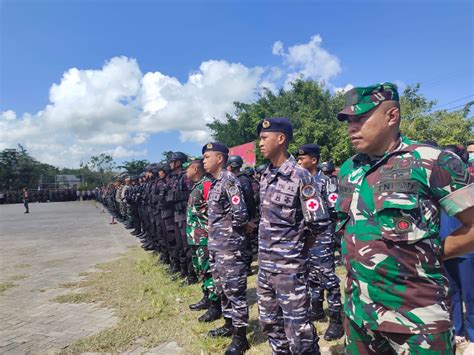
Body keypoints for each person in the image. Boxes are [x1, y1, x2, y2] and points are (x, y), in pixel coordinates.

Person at [335, 82, 474, 353]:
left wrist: (432, 252)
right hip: (359, 315)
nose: (352, 127)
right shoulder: (348, 169)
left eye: (361, 118)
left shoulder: (434, 162)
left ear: (392, 116)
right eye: (349, 120)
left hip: (417, 319)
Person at [257, 117, 330, 354]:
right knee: (271, 324)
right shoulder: (265, 176)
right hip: (265, 267)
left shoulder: (301, 176)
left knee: (299, 331)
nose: (260, 143)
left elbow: (318, 222)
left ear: (281, 139)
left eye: (264, 138)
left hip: (290, 269)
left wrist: (298, 248)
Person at [203, 142, 250, 355]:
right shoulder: (215, 183)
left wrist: (227, 233)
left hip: (229, 247)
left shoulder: (229, 181)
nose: (204, 161)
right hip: (217, 246)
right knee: (222, 288)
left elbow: (240, 214)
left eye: (207, 157)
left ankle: (241, 338)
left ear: (220, 158)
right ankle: (229, 325)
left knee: (235, 290)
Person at [296, 144, 344, 340]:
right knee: (309, 273)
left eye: (302, 159)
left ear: (313, 160)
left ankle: (336, 319)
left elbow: (334, 208)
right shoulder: (298, 181)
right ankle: (316, 307)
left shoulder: (326, 182)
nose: (299, 162)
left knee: (327, 276)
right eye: (298, 159)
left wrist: (331, 234)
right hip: (304, 236)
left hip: (323, 235)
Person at [185, 158, 222, 323]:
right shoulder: (197, 185)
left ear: (195, 169)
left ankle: (216, 305)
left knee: (209, 270)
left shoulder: (207, 184)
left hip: (205, 236)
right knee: (201, 269)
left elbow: (214, 209)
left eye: (188, 168)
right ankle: (207, 296)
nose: (186, 171)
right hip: (195, 236)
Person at [226, 155, 257, 275]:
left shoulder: (242, 179)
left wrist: (249, 216)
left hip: (244, 215)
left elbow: (249, 199)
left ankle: (247, 267)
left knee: (245, 241)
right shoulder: (235, 179)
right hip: (239, 215)